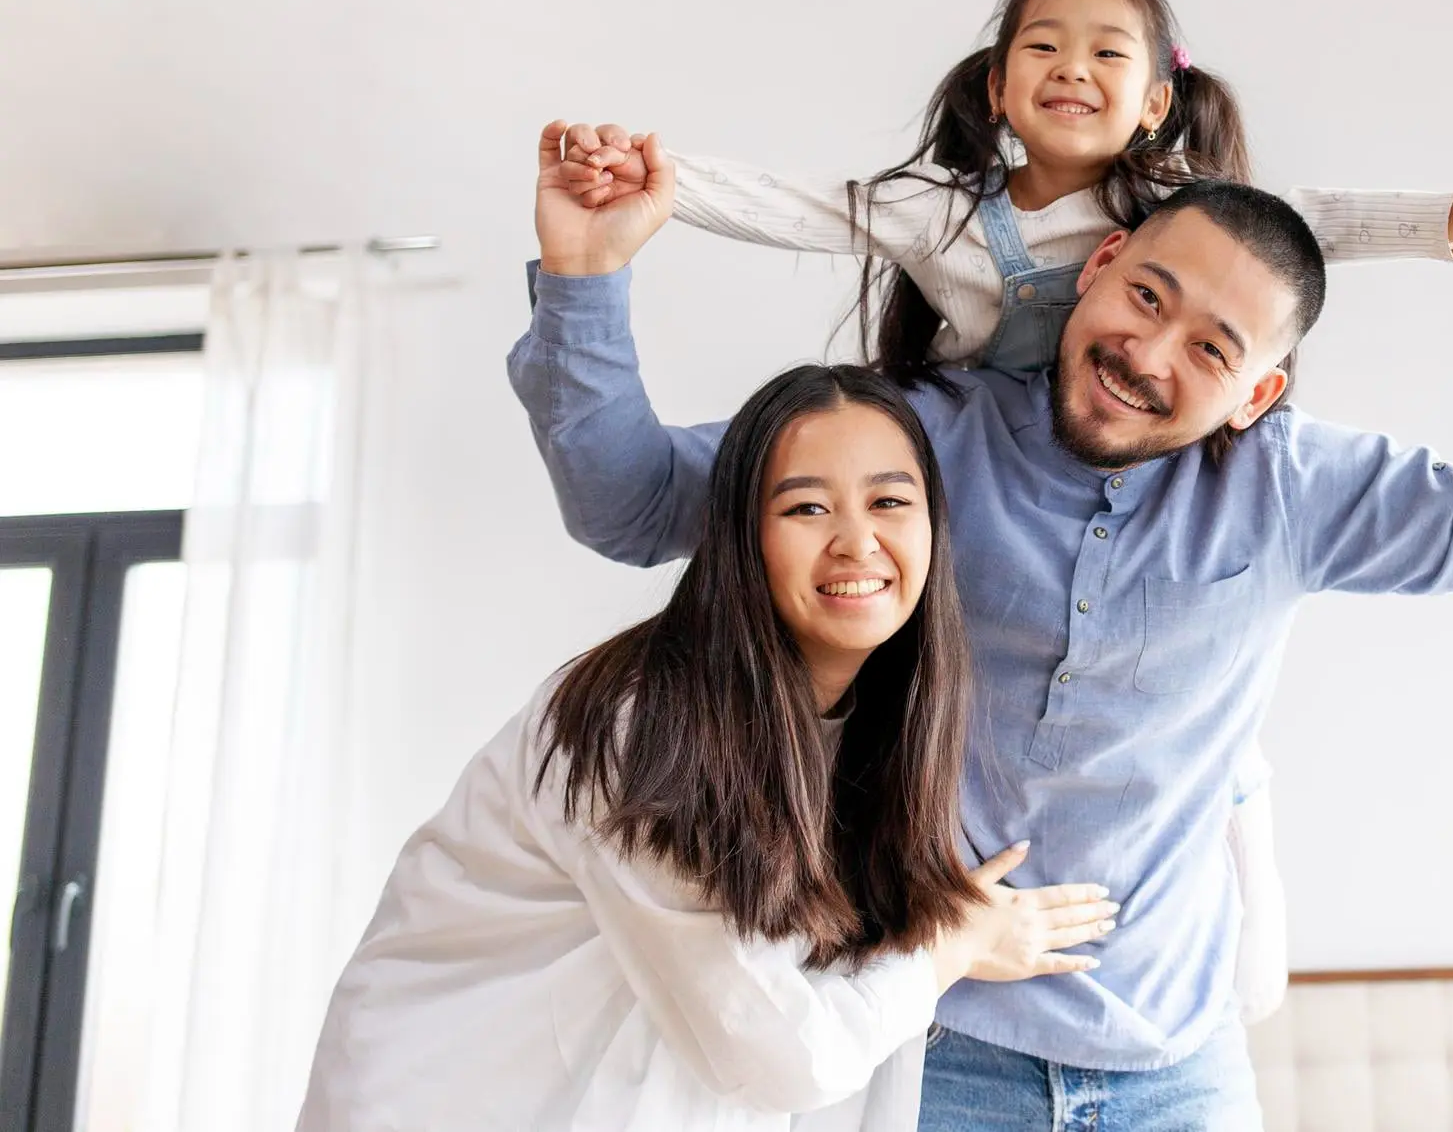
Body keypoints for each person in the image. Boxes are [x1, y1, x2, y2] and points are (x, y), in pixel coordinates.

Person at [510, 123, 1453, 1128]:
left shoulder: (1292, 487)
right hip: (933, 1044)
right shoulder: (918, 439)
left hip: (1178, 1071)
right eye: (1146, 297)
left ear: (1255, 395)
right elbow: (632, 505)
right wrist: (584, 277)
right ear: (1097, 268)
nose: (1149, 354)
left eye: (1210, 347)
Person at [298, 364, 1119, 1131]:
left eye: (890, 502)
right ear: (740, 538)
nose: (857, 541)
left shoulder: (886, 723)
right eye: (806, 508)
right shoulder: (640, 729)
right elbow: (784, 1053)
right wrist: (951, 945)